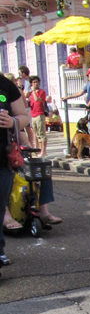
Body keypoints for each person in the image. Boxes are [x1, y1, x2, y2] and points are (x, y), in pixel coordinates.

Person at [0, 74, 30, 269]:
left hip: (2, 159)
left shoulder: (5, 84)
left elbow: (25, 117)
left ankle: (0, 252)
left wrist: (12, 122)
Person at [63, 66, 90, 151]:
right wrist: (68, 97)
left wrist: (89, 104)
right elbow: (80, 92)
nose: (87, 77)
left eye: (88, 75)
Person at [28, 75, 48, 158]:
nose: (35, 84)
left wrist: (33, 92)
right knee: (36, 133)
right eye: (33, 82)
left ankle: (43, 151)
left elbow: (37, 99)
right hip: (33, 114)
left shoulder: (41, 92)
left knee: (41, 133)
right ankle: (39, 149)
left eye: (36, 82)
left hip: (40, 114)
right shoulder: (31, 93)